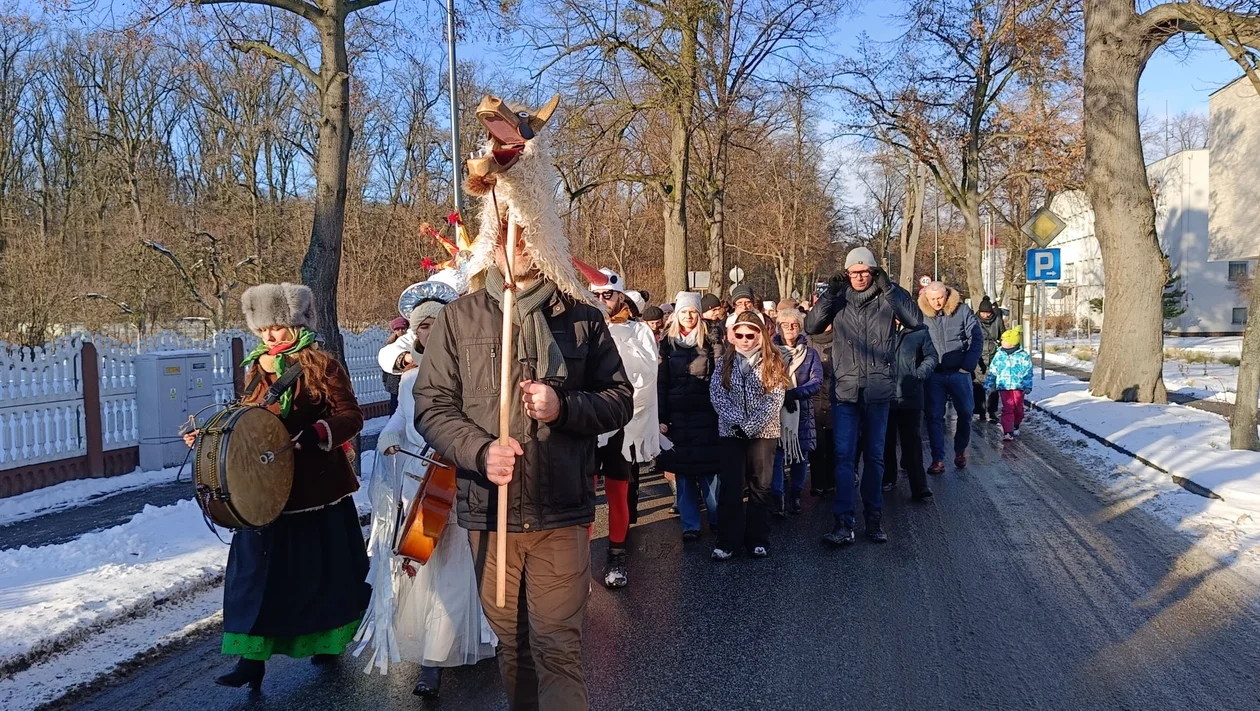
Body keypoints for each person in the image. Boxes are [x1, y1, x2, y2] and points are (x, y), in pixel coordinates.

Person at [414, 226, 632, 710]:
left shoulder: (582, 317)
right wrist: (479, 451)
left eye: (530, 236)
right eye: (509, 238)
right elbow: (431, 406)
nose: (520, 248)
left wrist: (564, 406)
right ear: (491, 244)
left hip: (561, 510)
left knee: (558, 645)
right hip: (491, 514)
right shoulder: (458, 318)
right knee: (513, 645)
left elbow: (619, 400)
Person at [183, 283, 370, 692]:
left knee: (320, 577)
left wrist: (318, 433)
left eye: (278, 326)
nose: (270, 335)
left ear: (297, 324)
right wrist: (212, 438)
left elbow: (351, 416)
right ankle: (251, 661)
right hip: (263, 492)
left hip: (315, 491)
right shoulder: (255, 367)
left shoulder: (323, 366)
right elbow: (247, 421)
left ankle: (328, 643)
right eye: (264, 328)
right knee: (256, 578)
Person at [357, 276, 495, 698]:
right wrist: (389, 434)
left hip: (454, 476)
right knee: (421, 566)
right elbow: (403, 417)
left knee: (453, 565)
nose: (429, 333)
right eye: (423, 326)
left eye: (437, 325)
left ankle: (435, 658)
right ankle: (428, 648)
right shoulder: (408, 377)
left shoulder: (465, 370)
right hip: (416, 482)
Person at [805, 247, 921, 546]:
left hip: (878, 390)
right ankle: (843, 523)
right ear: (847, 274)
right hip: (845, 390)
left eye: (864, 272)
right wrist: (829, 294)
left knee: (874, 457)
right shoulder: (839, 297)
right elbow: (812, 327)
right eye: (853, 272)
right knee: (843, 458)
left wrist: (889, 288)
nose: (859, 277)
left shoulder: (888, 296)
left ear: (874, 272)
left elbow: (915, 321)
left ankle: (874, 520)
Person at [589, 267, 663, 588]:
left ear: (621, 295)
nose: (601, 300)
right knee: (584, 493)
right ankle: (579, 562)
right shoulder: (582, 326)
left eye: (607, 294)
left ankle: (616, 557)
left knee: (618, 492)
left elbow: (646, 375)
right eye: (595, 295)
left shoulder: (639, 331)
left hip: (621, 422)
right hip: (588, 420)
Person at [709, 311, 788, 560]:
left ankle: (757, 539)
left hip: (764, 433)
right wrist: (737, 422)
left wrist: (751, 425)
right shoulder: (724, 361)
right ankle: (727, 541)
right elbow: (717, 395)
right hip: (731, 433)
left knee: (761, 486)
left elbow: (775, 398)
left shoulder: (773, 361)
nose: (744, 340)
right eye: (740, 335)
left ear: (760, 335)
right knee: (731, 487)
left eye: (750, 335)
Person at [657, 291, 722, 541]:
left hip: (707, 414)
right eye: (684, 311)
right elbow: (661, 382)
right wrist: (661, 417)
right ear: (677, 315)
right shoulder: (667, 342)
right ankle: (690, 525)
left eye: (693, 312)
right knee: (683, 473)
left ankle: (717, 519)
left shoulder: (711, 340)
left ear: (699, 314)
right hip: (677, 416)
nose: (688, 316)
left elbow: (720, 378)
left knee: (710, 471)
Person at [918, 281, 984, 472]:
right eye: (933, 299)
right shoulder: (921, 315)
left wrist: (967, 366)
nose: (937, 302)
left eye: (940, 298)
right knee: (934, 417)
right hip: (934, 374)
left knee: (966, 413)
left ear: (946, 294)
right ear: (926, 298)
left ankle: (960, 450)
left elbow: (976, 338)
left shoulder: (962, 311)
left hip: (959, 372)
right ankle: (937, 459)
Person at [770, 308, 823, 517]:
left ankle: (796, 494)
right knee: (777, 454)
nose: (790, 328)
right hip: (775, 410)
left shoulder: (810, 354)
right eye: (785, 325)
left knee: (801, 454)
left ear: (800, 328)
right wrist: (780, 395)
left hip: (802, 410)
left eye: (794, 325)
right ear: (778, 327)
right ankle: (778, 497)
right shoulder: (770, 352)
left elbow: (817, 381)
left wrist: (795, 393)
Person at [881, 319, 938, 500]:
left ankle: (919, 486)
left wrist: (919, 374)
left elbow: (931, 356)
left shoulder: (919, 330)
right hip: (884, 393)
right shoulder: (879, 325)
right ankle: (888, 478)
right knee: (885, 441)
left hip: (910, 393)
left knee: (912, 442)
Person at [985, 327, 1034, 441]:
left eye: (1004, 340)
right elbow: (993, 370)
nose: (1002, 342)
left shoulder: (1022, 356)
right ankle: (1008, 431)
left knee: (1018, 409)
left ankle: (1016, 424)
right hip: (1004, 386)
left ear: (1012, 342)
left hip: (1018, 386)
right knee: (1008, 408)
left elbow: (1028, 371)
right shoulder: (999, 355)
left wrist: (1027, 385)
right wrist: (989, 383)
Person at [807, 324, 835, 497]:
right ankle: (817, 482)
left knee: (833, 444)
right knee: (815, 444)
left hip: (835, 396)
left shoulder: (842, 338)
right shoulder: (807, 342)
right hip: (814, 398)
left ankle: (831, 482)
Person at [973, 296, 1006, 423]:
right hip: (978, 356)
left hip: (993, 356)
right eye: (983, 313)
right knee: (978, 385)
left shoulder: (997, 320)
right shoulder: (974, 320)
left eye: (987, 313)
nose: (985, 315)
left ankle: (992, 411)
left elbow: (1003, 335)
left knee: (993, 386)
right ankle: (980, 411)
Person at [383, 316, 409, 413]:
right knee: (395, 408)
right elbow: (386, 364)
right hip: (394, 382)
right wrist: (386, 381)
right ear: (394, 331)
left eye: (403, 329)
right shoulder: (390, 345)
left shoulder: (411, 343)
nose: (401, 331)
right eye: (398, 329)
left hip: (408, 380)